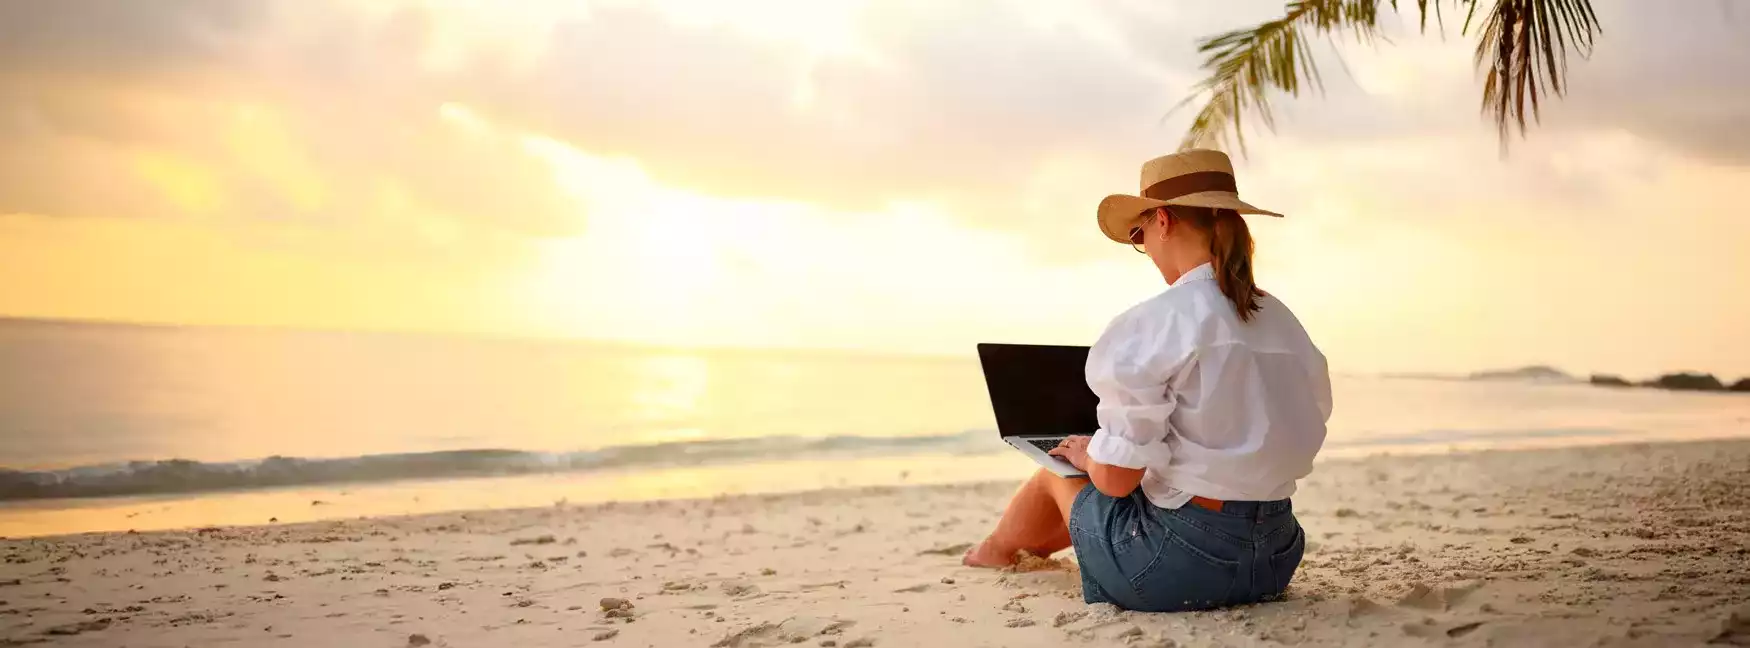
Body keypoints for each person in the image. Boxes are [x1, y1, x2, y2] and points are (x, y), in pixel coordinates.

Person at [962, 149, 1333, 613]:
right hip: (1276, 556)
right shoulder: (1283, 322)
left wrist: (1091, 454)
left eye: (1139, 236)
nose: (1147, 250)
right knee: (1116, 474)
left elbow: (1116, 482)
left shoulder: (1155, 321)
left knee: (1058, 474)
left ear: (1162, 220)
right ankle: (1001, 550)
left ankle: (991, 554)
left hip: (1183, 567)